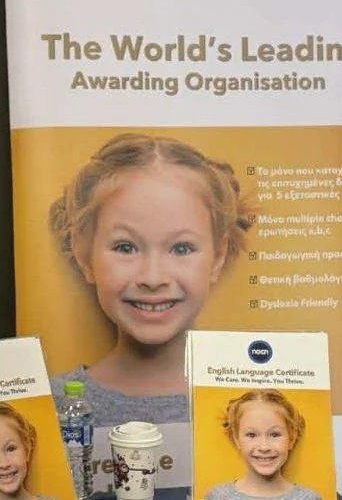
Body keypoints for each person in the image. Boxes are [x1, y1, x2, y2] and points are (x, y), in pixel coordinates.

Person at [49, 132, 253, 425]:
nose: (153, 278)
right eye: (125, 247)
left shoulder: (261, 404)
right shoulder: (50, 408)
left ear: (218, 257)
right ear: (84, 255)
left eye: (181, 248)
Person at [203, 390, 324, 500]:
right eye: (251, 435)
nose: (264, 447)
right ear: (236, 439)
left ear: (291, 439)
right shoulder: (218, 499)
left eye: (274, 434)